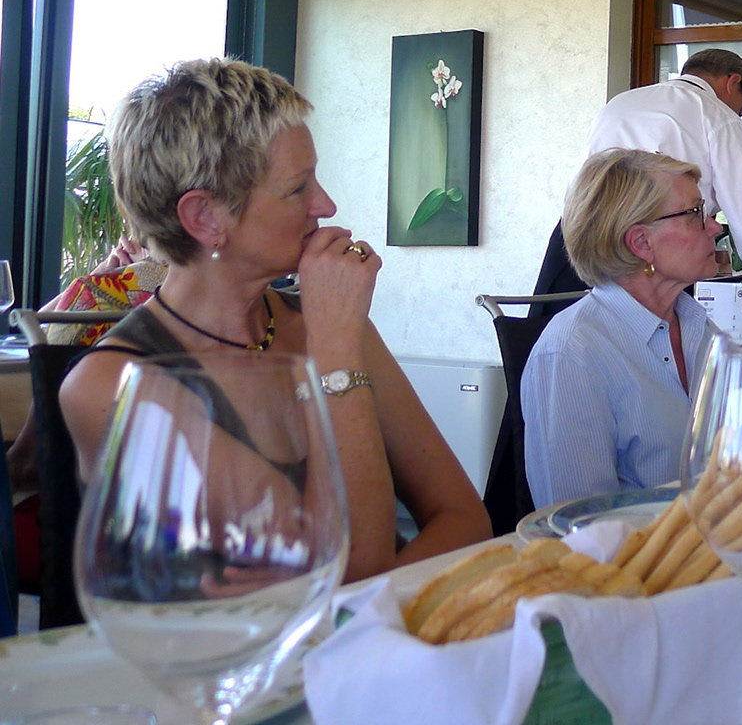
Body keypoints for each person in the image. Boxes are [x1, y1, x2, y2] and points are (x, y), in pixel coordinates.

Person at [60, 59, 490, 583]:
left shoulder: (323, 322)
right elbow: (349, 564)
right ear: (205, 217)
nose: (325, 205)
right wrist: (334, 349)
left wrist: (366, 609)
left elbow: (466, 519)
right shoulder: (111, 384)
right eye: (298, 188)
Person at [532, 49, 742, 320]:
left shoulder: (619, 104)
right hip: (652, 262)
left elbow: (580, 187)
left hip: (575, 246)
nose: (740, 112)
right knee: (652, 348)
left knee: (546, 340)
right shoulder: (719, 117)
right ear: (733, 82)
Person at [521, 148, 719, 506]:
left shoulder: (701, 328)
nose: (715, 227)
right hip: (638, 545)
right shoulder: (571, 354)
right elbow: (578, 523)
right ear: (641, 243)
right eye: (695, 213)